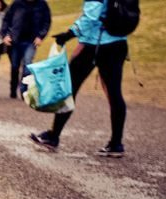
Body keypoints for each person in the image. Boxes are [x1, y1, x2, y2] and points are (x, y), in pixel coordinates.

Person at [30, 0, 130, 157]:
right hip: (118, 44)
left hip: (94, 45)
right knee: (114, 93)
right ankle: (116, 143)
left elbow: (90, 17)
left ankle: (53, 136)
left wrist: (68, 34)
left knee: (69, 88)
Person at [0, 0, 51, 98]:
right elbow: (6, 19)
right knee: (15, 66)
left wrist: (40, 36)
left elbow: (46, 21)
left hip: (31, 41)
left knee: (28, 64)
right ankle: (13, 89)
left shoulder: (41, 4)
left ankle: (24, 91)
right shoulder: (17, 3)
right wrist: (5, 35)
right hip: (15, 40)